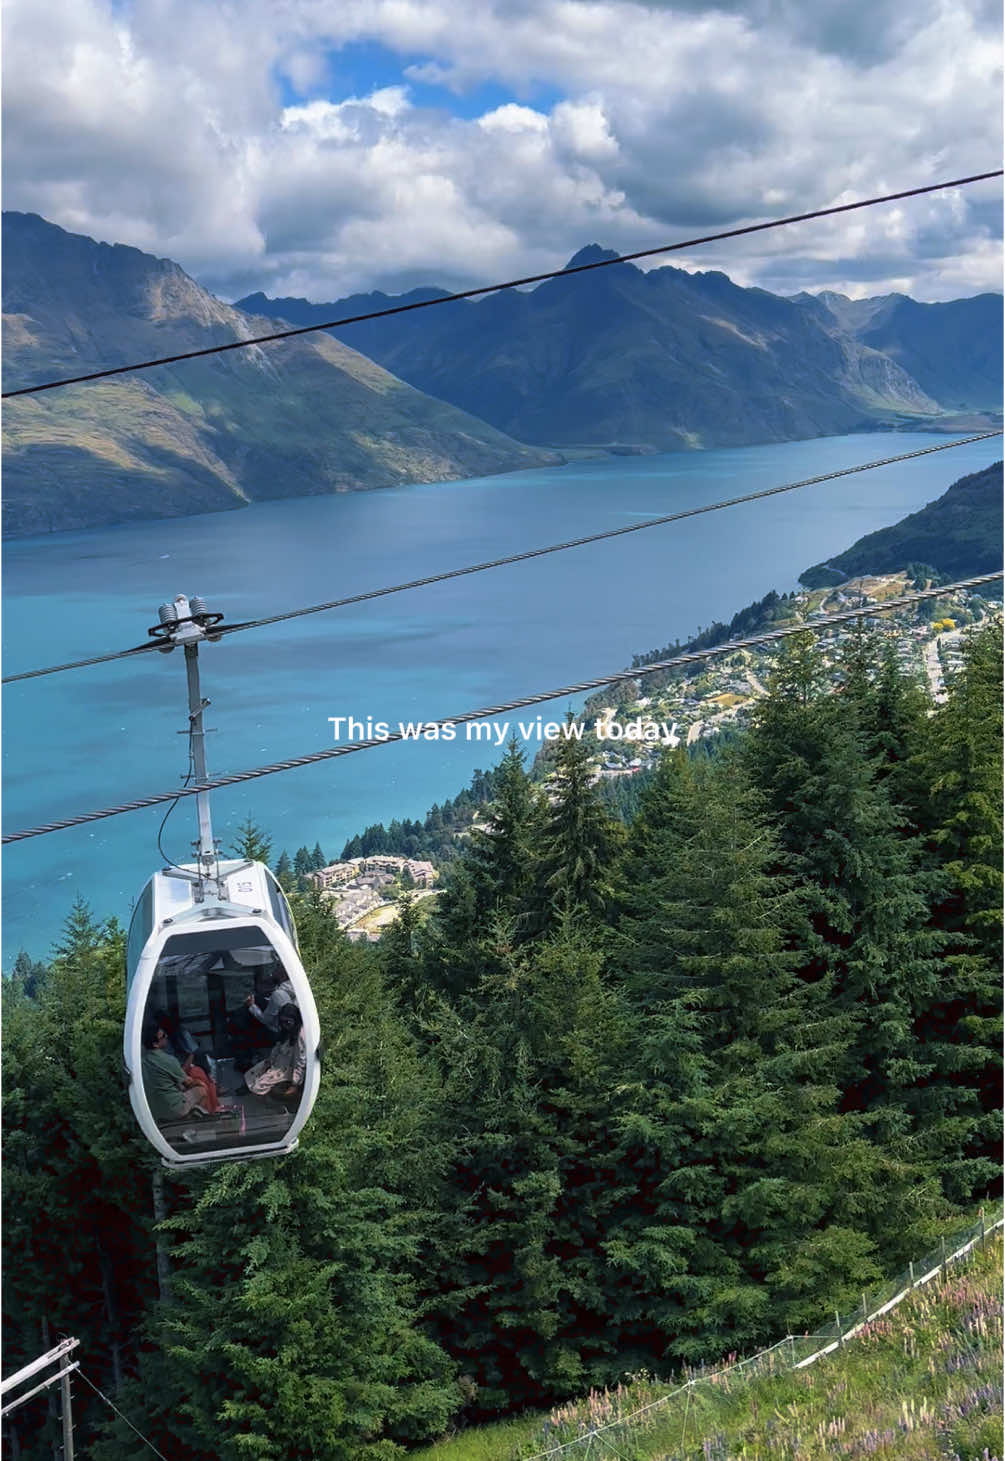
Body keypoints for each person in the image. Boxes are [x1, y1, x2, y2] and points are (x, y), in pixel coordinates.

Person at [141, 1019, 208, 1123]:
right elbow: (188, 1083)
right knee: (201, 1090)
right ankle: (194, 1122)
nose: (166, 1037)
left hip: (154, 1111)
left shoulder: (142, 1060)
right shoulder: (167, 1060)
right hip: (174, 1108)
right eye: (163, 1036)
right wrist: (200, 1083)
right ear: (155, 1044)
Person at [244, 1004, 306, 1103]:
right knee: (251, 1074)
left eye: (288, 1022)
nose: (285, 1024)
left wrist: (295, 1084)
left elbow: (300, 1061)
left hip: (286, 1069)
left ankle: (271, 1103)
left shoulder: (300, 1036)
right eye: (282, 1021)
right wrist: (269, 1062)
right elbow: (277, 1049)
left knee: (259, 1086)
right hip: (277, 1062)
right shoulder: (286, 1032)